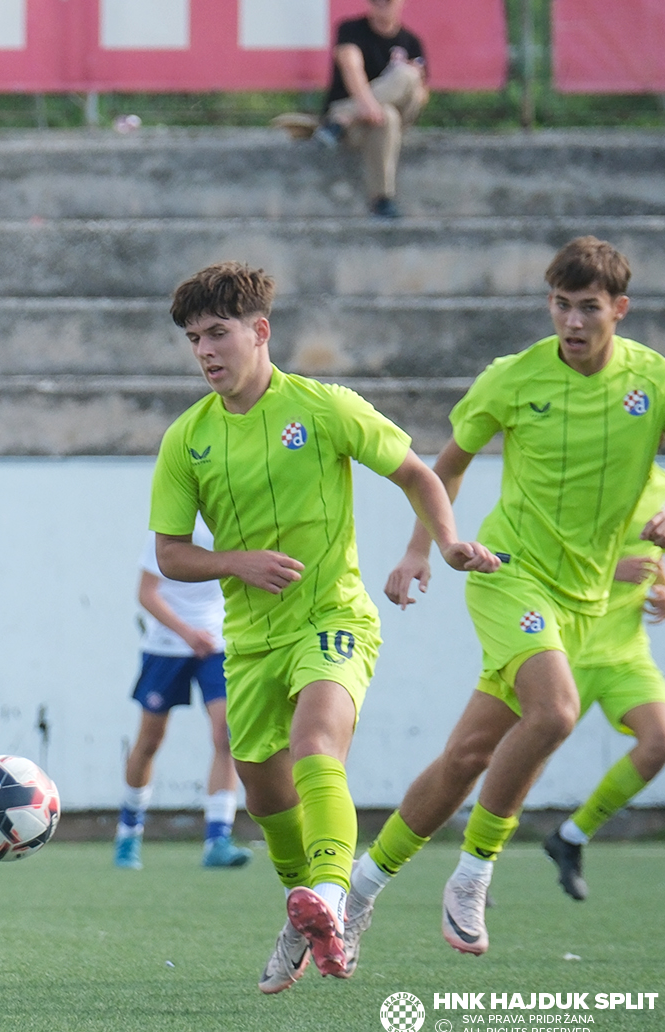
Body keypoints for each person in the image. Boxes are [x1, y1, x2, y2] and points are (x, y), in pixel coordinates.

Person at [345, 237, 665, 971]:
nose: (571, 321)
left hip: (584, 596)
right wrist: (419, 550)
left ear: (618, 310)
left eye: (588, 308)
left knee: (468, 755)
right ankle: (473, 875)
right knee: (558, 711)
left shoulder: (663, 385)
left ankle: (361, 887)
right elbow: (446, 466)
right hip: (509, 572)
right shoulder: (511, 378)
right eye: (561, 306)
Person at [149, 261, 496, 994]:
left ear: (260, 331)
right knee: (266, 799)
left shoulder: (325, 407)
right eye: (193, 340)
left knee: (316, 745)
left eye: (218, 334)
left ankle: (334, 902)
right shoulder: (187, 440)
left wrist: (444, 544)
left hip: (333, 619)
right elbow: (170, 555)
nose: (206, 351)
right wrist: (237, 563)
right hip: (250, 643)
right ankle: (302, 911)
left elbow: (419, 475)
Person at [544, 466, 665, 900]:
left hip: (626, 652)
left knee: (660, 742)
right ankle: (479, 859)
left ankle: (570, 837)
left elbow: (654, 559)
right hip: (567, 649)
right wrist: (609, 572)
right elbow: (540, 560)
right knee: (517, 758)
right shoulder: (584, 475)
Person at [114, 521, 253, 872]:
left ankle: (218, 839)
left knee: (226, 734)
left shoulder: (235, 523)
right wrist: (187, 633)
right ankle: (129, 833)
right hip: (167, 647)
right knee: (149, 741)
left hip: (217, 647)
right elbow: (147, 593)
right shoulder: (171, 529)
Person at [313, 0, 428, 219]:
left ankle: (341, 116)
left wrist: (352, 111)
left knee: (406, 76)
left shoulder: (412, 43)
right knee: (388, 116)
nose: (382, 5)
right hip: (360, 128)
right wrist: (367, 105)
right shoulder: (351, 30)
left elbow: (421, 94)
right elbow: (350, 66)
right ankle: (382, 200)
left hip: (350, 120)